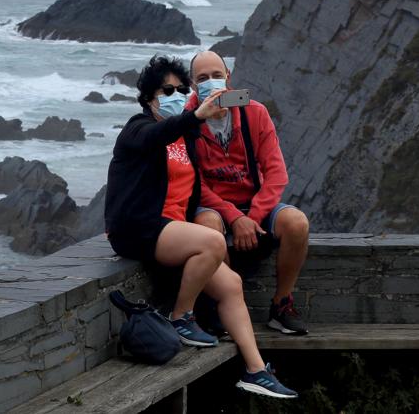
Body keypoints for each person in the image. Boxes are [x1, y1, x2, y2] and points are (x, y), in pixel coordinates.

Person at [106, 55, 297, 399]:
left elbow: (200, 185)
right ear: (150, 97)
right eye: (168, 90)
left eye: (181, 89)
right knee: (213, 242)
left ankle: (256, 371)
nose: (176, 94)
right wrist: (193, 115)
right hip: (139, 228)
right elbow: (159, 134)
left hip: (172, 230)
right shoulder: (138, 128)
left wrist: (241, 213)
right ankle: (181, 316)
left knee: (232, 285)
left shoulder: (187, 139)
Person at [187, 50, 310, 336]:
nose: (211, 82)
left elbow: (277, 173)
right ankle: (226, 305)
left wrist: (252, 217)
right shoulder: (188, 120)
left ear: (229, 78)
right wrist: (233, 217)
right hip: (214, 207)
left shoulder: (254, 112)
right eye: (202, 78)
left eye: (217, 75)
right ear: (193, 86)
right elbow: (194, 184)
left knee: (297, 223)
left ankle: (281, 305)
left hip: (254, 205)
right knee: (207, 227)